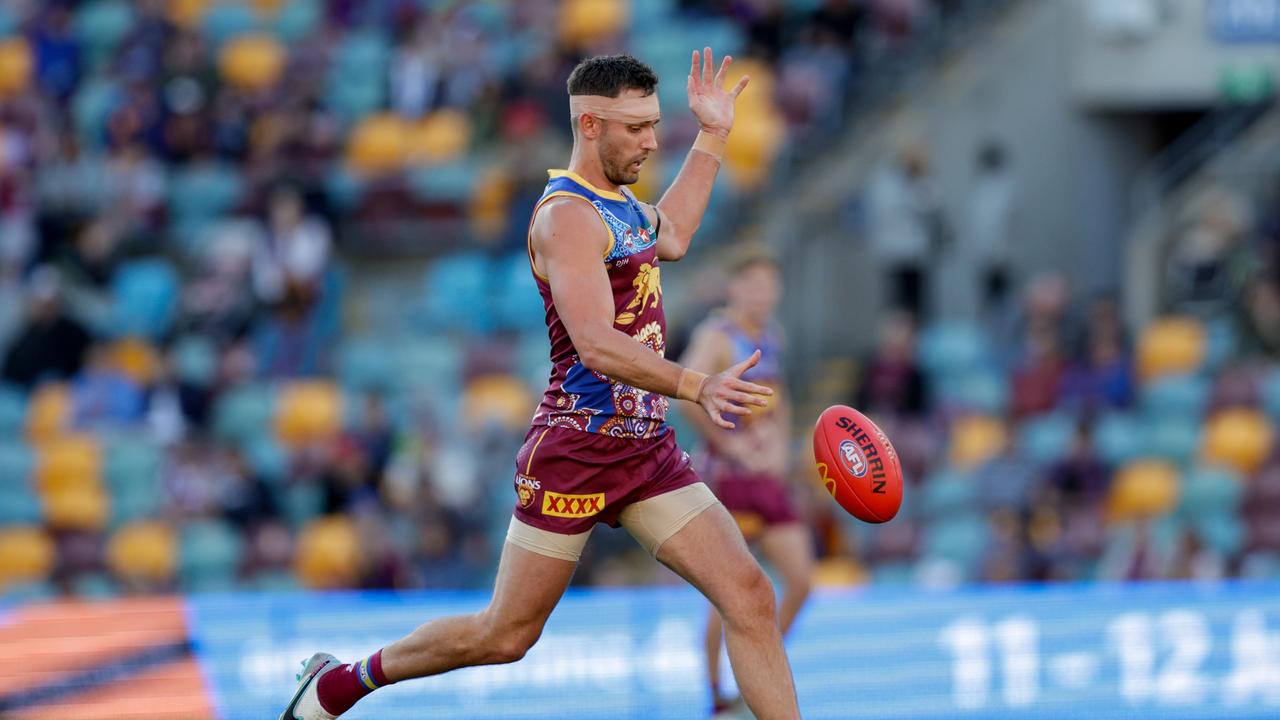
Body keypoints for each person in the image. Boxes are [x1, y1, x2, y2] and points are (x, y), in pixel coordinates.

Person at [280, 50, 803, 720]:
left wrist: (714, 135)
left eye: (654, 124)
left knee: (751, 596)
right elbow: (596, 343)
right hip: (576, 451)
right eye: (635, 127)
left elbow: (672, 236)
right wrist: (695, 384)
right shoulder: (568, 217)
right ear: (589, 125)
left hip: (644, 451)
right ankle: (338, 684)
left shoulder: (618, 205)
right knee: (506, 635)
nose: (649, 140)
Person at [680, 245, 814, 716]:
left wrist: (780, 445)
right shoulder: (717, 335)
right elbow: (684, 396)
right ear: (734, 287)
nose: (762, 294)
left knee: (801, 580)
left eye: (769, 285)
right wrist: (729, 445)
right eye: (752, 284)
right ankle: (718, 693)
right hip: (728, 478)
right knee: (732, 592)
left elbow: (780, 398)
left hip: (765, 477)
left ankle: (757, 669)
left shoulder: (771, 334)